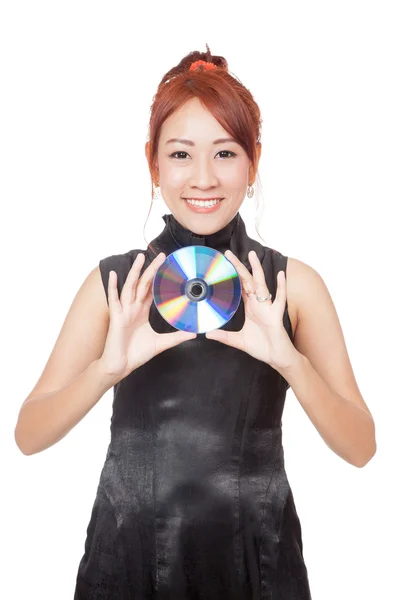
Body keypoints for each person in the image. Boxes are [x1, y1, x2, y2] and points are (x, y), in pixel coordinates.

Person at [15, 45, 376, 599]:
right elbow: (29, 434)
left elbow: (360, 448)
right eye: (181, 154)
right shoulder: (115, 285)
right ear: (152, 163)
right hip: (127, 563)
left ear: (254, 161)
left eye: (226, 153)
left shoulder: (293, 285)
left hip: (259, 564)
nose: (203, 178)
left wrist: (288, 360)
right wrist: (108, 369)